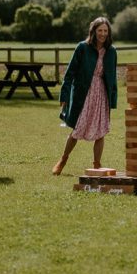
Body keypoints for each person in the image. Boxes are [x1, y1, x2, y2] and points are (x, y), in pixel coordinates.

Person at [52, 17, 118, 175]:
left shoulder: (112, 51)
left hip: (102, 94)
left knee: (101, 131)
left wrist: (113, 100)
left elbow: (113, 77)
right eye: (100, 30)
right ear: (94, 31)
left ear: (108, 33)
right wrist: (65, 95)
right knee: (77, 129)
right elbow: (69, 74)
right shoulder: (82, 47)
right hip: (84, 93)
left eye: (105, 31)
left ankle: (97, 166)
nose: (102, 34)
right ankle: (63, 160)